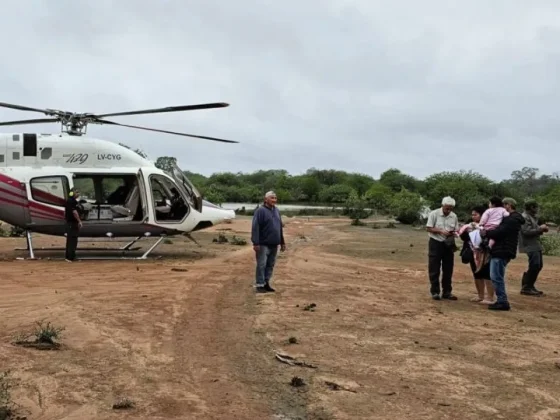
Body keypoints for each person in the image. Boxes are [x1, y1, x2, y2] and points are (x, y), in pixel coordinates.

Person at [483, 197, 525, 311]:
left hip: (502, 250)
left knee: (496, 276)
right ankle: (501, 300)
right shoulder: (514, 219)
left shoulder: (510, 220)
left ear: (508, 205)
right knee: (496, 275)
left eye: (503, 205)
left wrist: (486, 232)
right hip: (505, 249)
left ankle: (502, 301)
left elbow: (500, 232)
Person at [251, 191, 286, 293]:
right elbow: (255, 227)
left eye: (275, 198)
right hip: (263, 243)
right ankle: (259, 284)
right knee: (262, 264)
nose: (274, 200)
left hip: (274, 243)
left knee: (270, 264)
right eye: (272, 198)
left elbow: (279, 227)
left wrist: (282, 242)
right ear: (266, 199)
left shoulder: (276, 210)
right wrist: (256, 243)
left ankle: (266, 282)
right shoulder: (260, 211)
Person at [458, 205, 495, 304]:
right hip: (472, 253)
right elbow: (463, 238)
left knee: (487, 274)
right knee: (477, 274)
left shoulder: (489, 225)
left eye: (476, 214)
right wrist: (467, 232)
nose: (473, 216)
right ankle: (480, 296)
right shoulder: (469, 225)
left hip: (485, 253)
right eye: (472, 215)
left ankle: (490, 297)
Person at [425, 196, 459, 300]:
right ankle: (435, 291)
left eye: (450, 208)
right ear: (442, 205)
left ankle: (447, 292)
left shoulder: (454, 216)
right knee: (434, 267)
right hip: (435, 242)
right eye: (446, 208)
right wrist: (440, 231)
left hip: (448, 243)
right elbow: (428, 228)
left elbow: (457, 229)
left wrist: (454, 233)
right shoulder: (434, 214)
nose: (448, 211)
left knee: (448, 268)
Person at [519, 199, 548, 296]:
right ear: (532, 207)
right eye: (536, 207)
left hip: (535, 243)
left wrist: (542, 229)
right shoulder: (524, 217)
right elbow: (526, 232)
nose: (538, 209)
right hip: (529, 244)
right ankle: (526, 287)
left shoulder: (532, 217)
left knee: (538, 265)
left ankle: (529, 285)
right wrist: (540, 229)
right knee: (535, 265)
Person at [64, 188, 83, 262]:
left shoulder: (70, 201)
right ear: (72, 193)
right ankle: (70, 257)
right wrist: (79, 221)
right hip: (72, 223)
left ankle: (70, 256)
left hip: (70, 223)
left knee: (71, 240)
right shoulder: (72, 201)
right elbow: (74, 212)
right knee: (72, 240)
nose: (78, 194)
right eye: (77, 192)